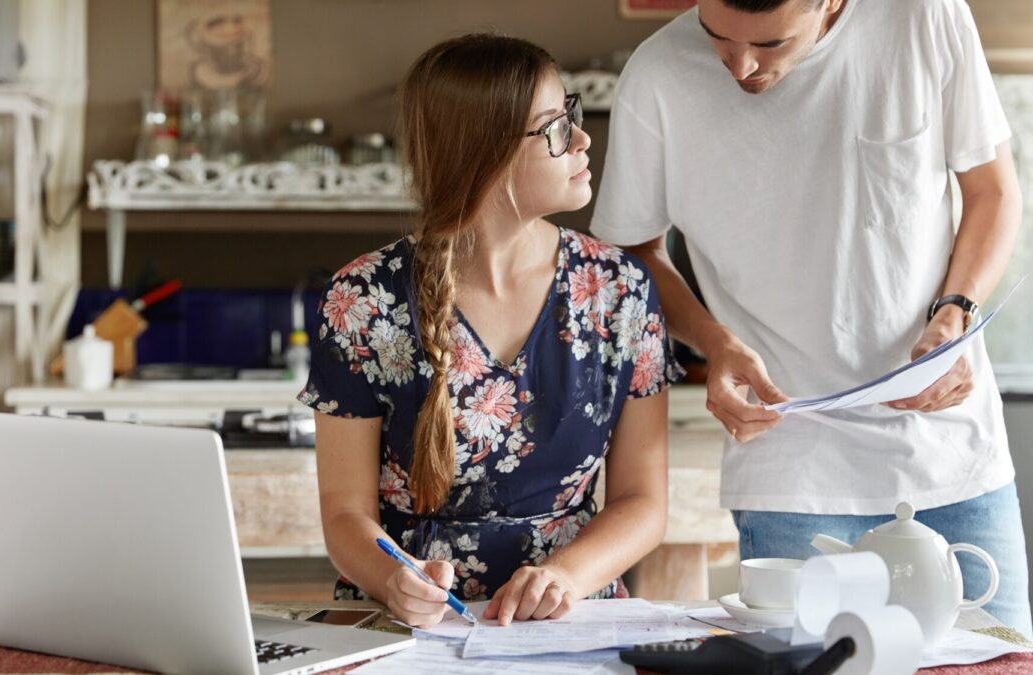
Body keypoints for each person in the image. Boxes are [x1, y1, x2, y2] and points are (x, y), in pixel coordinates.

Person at [591, 0, 1031, 634]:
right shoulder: (657, 73)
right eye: (717, 37)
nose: (739, 66)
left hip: (953, 455)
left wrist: (954, 313)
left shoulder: (923, 16)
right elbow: (632, 253)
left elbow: (991, 191)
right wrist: (715, 342)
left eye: (770, 45)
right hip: (791, 472)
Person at [301, 33, 678, 629]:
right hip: (408, 631)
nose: (581, 140)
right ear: (487, 151)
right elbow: (344, 514)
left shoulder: (619, 290)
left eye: (572, 116)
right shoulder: (361, 299)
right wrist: (397, 581)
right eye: (555, 127)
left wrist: (566, 577)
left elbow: (643, 504)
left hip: (568, 626)